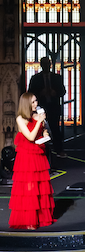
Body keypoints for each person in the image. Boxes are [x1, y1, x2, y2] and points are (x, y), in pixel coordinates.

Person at [9, 92, 56, 229]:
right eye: (33, 102)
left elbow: (42, 132)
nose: (36, 104)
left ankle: (40, 217)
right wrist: (39, 122)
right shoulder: (20, 119)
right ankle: (30, 220)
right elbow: (30, 137)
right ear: (26, 104)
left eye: (36, 101)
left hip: (38, 154)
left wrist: (45, 133)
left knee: (40, 186)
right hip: (27, 156)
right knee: (29, 188)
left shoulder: (37, 115)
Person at [28, 56, 66, 156]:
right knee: (40, 129)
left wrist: (55, 92)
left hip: (53, 107)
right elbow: (30, 93)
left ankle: (59, 150)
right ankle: (41, 151)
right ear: (41, 65)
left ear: (50, 65)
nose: (46, 66)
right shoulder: (35, 79)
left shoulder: (57, 78)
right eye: (44, 64)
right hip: (41, 107)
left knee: (55, 129)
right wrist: (40, 93)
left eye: (48, 64)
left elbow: (63, 91)